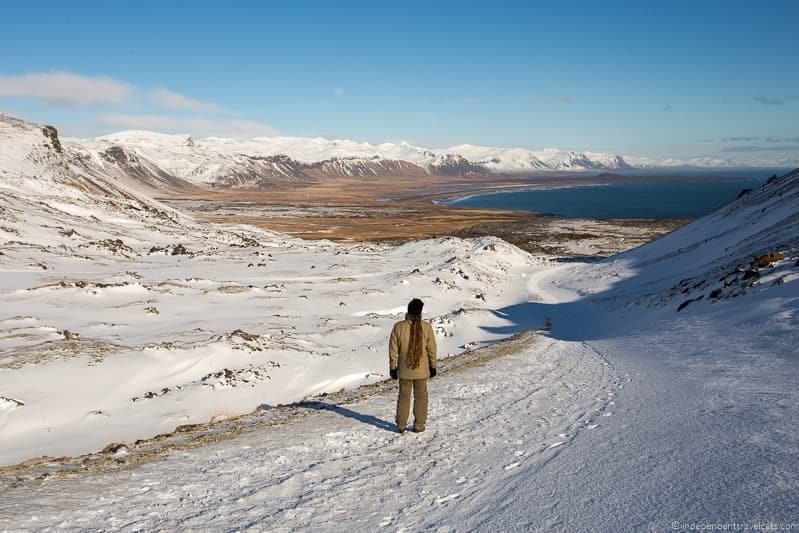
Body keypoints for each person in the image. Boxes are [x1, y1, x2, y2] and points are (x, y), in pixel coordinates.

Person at [388, 298, 437, 433]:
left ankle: (401, 425)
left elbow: (393, 350)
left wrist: (393, 367)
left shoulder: (398, 327)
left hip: (404, 369)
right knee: (421, 396)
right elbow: (432, 349)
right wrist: (433, 365)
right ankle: (419, 425)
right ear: (420, 312)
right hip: (421, 370)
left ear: (408, 310)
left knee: (404, 396)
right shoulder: (426, 327)